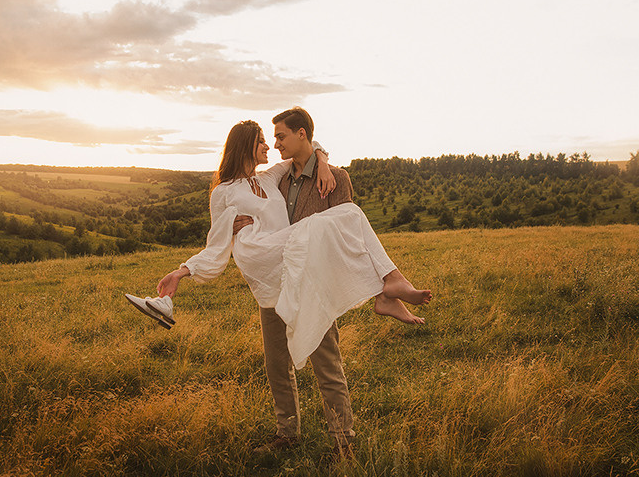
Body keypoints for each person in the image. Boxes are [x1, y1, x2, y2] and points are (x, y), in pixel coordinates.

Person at [147, 110, 431, 457]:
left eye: (276, 138)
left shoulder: (270, 179)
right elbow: (215, 245)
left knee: (327, 360)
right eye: (264, 141)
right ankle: (287, 435)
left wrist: (323, 163)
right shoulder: (226, 191)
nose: (271, 144)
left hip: (300, 273)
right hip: (266, 263)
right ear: (246, 147)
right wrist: (181, 271)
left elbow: (309, 149)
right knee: (276, 364)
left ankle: (343, 441)